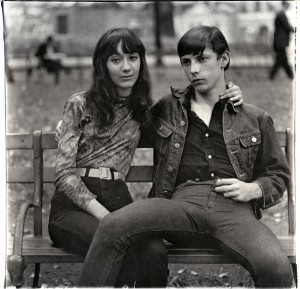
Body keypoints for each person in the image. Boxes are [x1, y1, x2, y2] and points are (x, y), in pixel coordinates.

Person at [78, 26, 293, 288]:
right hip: (178, 205)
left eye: (202, 59)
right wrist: (79, 123)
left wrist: (254, 189)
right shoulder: (167, 108)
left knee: (277, 268)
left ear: (223, 59)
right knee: (113, 226)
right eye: (186, 62)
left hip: (233, 211)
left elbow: (278, 175)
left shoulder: (254, 117)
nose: (193, 69)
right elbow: (122, 123)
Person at [50, 27, 244, 287]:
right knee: (113, 243)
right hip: (73, 207)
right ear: (102, 65)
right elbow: (64, 174)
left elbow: (190, 116)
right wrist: (105, 217)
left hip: (118, 198)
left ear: (141, 61)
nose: (126, 67)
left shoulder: (142, 112)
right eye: (115, 59)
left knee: (154, 253)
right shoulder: (80, 104)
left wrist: (230, 93)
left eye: (132, 58)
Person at [269, 1, 295, 80]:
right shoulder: (281, 15)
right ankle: (291, 76)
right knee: (281, 60)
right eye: (286, 5)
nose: (287, 7)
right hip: (280, 42)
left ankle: (290, 76)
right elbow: (287, 26)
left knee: (282, 60)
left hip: (279, 42)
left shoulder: (280, 14)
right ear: (283, 5)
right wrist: (295, 30)